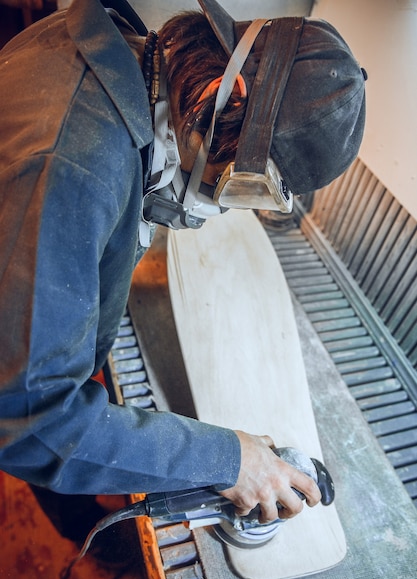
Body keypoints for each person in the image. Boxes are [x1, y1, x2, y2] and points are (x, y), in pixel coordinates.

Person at [0, 0, 366, 546]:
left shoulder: (110, 50)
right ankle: (83, 535)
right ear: (227, 94)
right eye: (243, 186)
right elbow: (33, 423)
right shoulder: (76, 167)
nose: (221, 207)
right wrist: (228, 460)